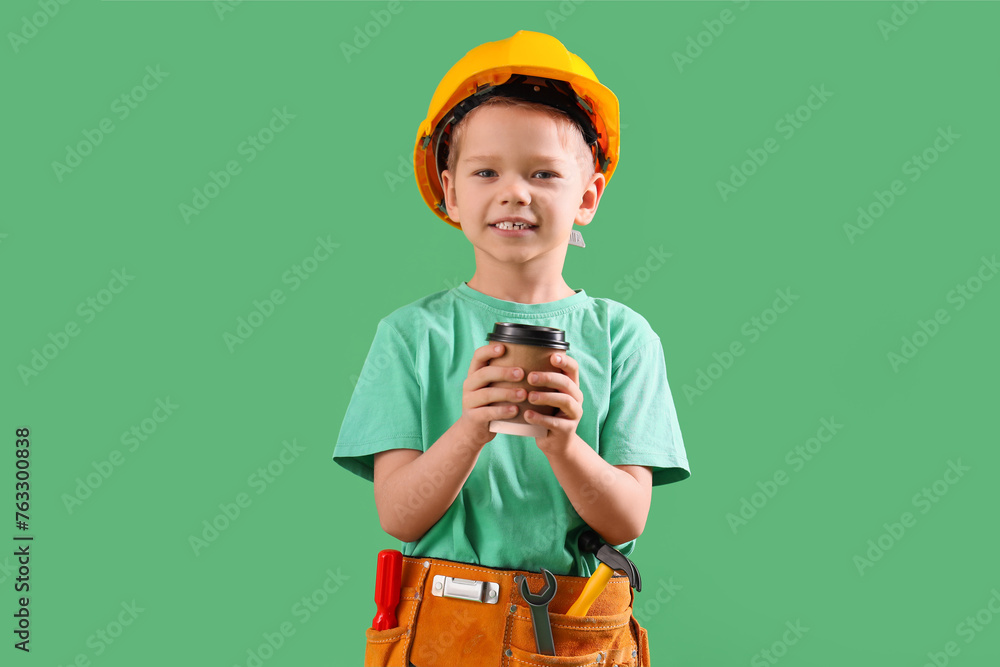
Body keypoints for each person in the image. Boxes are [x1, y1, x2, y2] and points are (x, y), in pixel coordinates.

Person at [333, 29, 691, 667]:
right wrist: (472, 428)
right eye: (486, 171)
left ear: (587, 198)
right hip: (441, 628)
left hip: (576, 632)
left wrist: (563, 443)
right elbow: (399, 515)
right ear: (449, 191)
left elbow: (628, 520)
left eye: (543, 172)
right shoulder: (410, 336)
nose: (514, 191)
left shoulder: (625, 338)